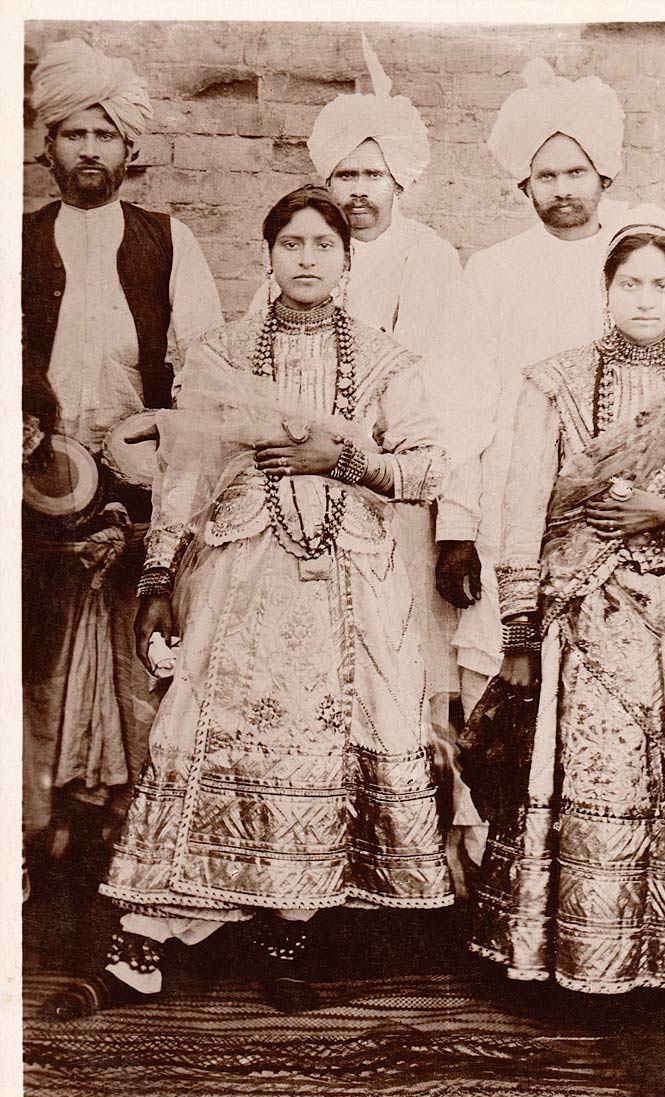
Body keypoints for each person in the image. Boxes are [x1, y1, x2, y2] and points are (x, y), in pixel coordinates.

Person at [42, 186, 454, 1021]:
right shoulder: (220, 355)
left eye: (323, 245)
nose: (306, 258)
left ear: (346, 259)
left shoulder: (386, 362)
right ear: (267, 256)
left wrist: (338, 461)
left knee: (322, 755)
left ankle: (284, 943)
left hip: (347, 588)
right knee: (201, 742)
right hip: (238, 576)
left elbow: (425, 471)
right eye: (290, 243)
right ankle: (140, 949)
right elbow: (186, 475)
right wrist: (157, 579)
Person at [465, 209, 665, 999]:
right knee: (592, 778)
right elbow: (520, 505)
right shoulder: (555, 382)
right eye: (628, 283)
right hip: (584, 617)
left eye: (659, 284)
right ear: (604, 292)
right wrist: (517, 630)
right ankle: (573, 961)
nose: (643, 298)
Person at [250, 34, 465, 887]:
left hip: (392, 506)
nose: (359, 192)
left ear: (399, 181)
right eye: (345, 176)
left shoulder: (431, 261)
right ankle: (294, 866)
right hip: (291, 514)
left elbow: (438, 406)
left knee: (391, 680)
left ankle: (397, 872)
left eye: (372, 176)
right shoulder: (295, 263)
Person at [428, 58, 641, 873]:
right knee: (497, 680)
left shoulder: (637, 263)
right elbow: (460, 402)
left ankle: (588, 875)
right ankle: (490, 876)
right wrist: (457, 528)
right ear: (524, 185)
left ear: (603, 173)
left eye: (575, 171)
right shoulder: (493, 272)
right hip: (508, 510)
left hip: (609, 523)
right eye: (544, 174)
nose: (561, 188)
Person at [22, 39, 223, 858]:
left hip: (138, 494)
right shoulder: (17, 237)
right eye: (75, 133)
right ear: (49, 145)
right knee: (36, 664)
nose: (91, 150)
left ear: (130, 148)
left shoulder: (167, 240)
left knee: (139, 659)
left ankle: (132, 834)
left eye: (106, 134)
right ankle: (36, 833)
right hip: (30, 493)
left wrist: (156, 435)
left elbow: (209, 368)